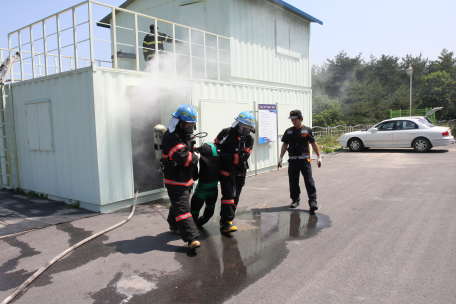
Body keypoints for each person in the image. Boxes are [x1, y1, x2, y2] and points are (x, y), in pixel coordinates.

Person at [162, 104, 201, 250]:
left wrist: (196, 150)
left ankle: (173, 224)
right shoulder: (170, 137)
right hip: (175, 180)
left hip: (185, 178)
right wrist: (196, 156)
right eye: (188, 125)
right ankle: (191, 238)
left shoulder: (184, 135)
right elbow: (184, 158)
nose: (190, 127)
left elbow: (188, 151)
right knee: (183, 209)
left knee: (177, 204)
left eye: (192, 125)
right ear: (179, 122)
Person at [214, 111, 255, 233]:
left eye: (248, 128)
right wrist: (222, 154)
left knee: (235, 197)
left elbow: (240, 158)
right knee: (228, 195)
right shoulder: (226, 132)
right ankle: (227, 222)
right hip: (225, 170)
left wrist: (223, 154)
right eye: (244, 127)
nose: (246, 130)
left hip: (240, 172)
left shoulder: (249, 140)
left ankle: (225, 220)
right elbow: (215, 145)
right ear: (237, 124)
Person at [278, 109, 322, 214]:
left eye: (295, 119)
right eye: (292, 120)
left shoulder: (308, 130)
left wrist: (319, 156)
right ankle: (295, 200)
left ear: (301, 118)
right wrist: (280, 157)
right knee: (293, 182)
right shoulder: (288, 131)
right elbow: (285, 145)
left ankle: (313, 202)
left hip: (305, 162)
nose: (293, 121)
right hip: (293, 162)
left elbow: (313, 143)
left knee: (309, 181)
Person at [190, 143, 221, 227]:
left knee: (194, 211)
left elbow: (195, 177)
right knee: (208, 213)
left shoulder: (200, 156)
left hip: (201, 190)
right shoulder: (219, 156)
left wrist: (194, 163)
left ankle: (192, 228)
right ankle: (196, 225)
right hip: (213, 190)